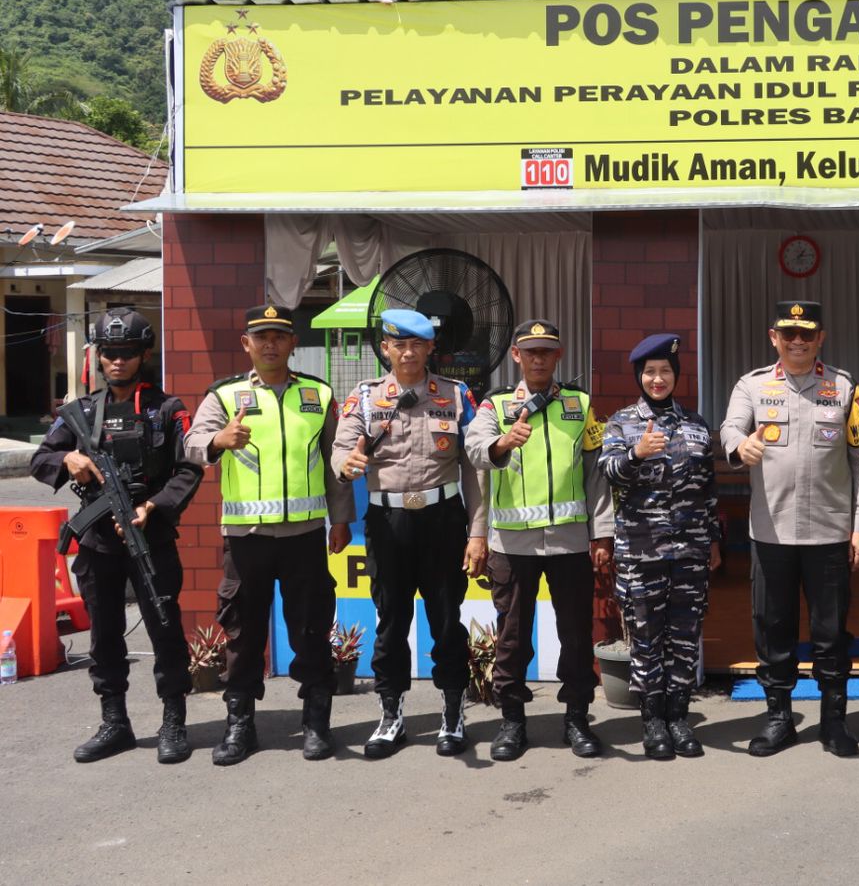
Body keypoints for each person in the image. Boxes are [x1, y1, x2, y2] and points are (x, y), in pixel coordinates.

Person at [30, 308, 203, 764]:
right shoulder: (82, 412)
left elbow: (188, 469)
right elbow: (41, 459)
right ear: (99, 357)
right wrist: (68, 459)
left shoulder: (167, 410)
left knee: (164, 628)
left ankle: (173, 720)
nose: (118, 361)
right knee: (104, 634)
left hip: (150, 537)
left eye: (127, 353)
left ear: (144, 355)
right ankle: (115, 722)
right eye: (110, 353)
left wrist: (154, 506)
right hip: (98, 543)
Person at [185, 303, 354, 765]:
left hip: (305, 537)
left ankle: (316, 723)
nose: (271, 344)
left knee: (311, 630)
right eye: (261, 337)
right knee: (243, 633)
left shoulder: (318, 394)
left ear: (293, 342)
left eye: (279, 336)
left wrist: (341, 519)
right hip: (247, 539)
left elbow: (335, 461)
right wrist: (219, 440)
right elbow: (192, 444)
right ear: (247, 344)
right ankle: (240, 725)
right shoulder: (224, 396)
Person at [720, 300, 859, 758]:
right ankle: (779, 719)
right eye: (788, 333)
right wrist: (740, 445)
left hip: (829, 534)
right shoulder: (752, 385)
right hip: (771, 534)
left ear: (820, 338)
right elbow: (730, 428)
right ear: (774, 337)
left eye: (806, 333)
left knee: (831, 632)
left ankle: (834, 722)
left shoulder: (843, 387)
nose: (797, 341)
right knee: (773, 628)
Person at [330, 308, 485, 759]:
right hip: (388, 523)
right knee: (391, 622)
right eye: (399, 344)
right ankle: (391, 717)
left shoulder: (455, 395)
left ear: (431, 348)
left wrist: (477, 532)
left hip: (442, 520)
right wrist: (346, 464)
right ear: (385, 348)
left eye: (418, 344)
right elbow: (341, 448)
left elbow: (474, 468)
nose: (409, 352)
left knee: (446, 621)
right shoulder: (365, 397)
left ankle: (452, 714)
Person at [464, 318, 614, 762]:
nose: (539, 359)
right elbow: (474, 451)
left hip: (570, 542)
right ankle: (512, 721)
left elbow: (596, 474)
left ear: (559, 355)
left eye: (547, 351)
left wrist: (602, 533)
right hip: (513, 546)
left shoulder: (580, 404)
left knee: (576, 634)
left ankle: (577, 718)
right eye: (531, 352)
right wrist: (503, 442)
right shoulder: (495, 405)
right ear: (516, 356)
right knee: (512, 637)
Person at [599, 333, 721, 760]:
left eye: (665, 371)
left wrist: (714, 541)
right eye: (650, 372)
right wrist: (636, 453)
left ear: (675, 375)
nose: (657, 379)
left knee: (685, 636)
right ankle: (652, 721)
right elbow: (609, 472)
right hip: (641, 551)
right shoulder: (621, 422)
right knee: (647, 636)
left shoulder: (696, 424)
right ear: (639, 376)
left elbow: (707, 489)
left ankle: (679, 718)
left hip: (690, 550)